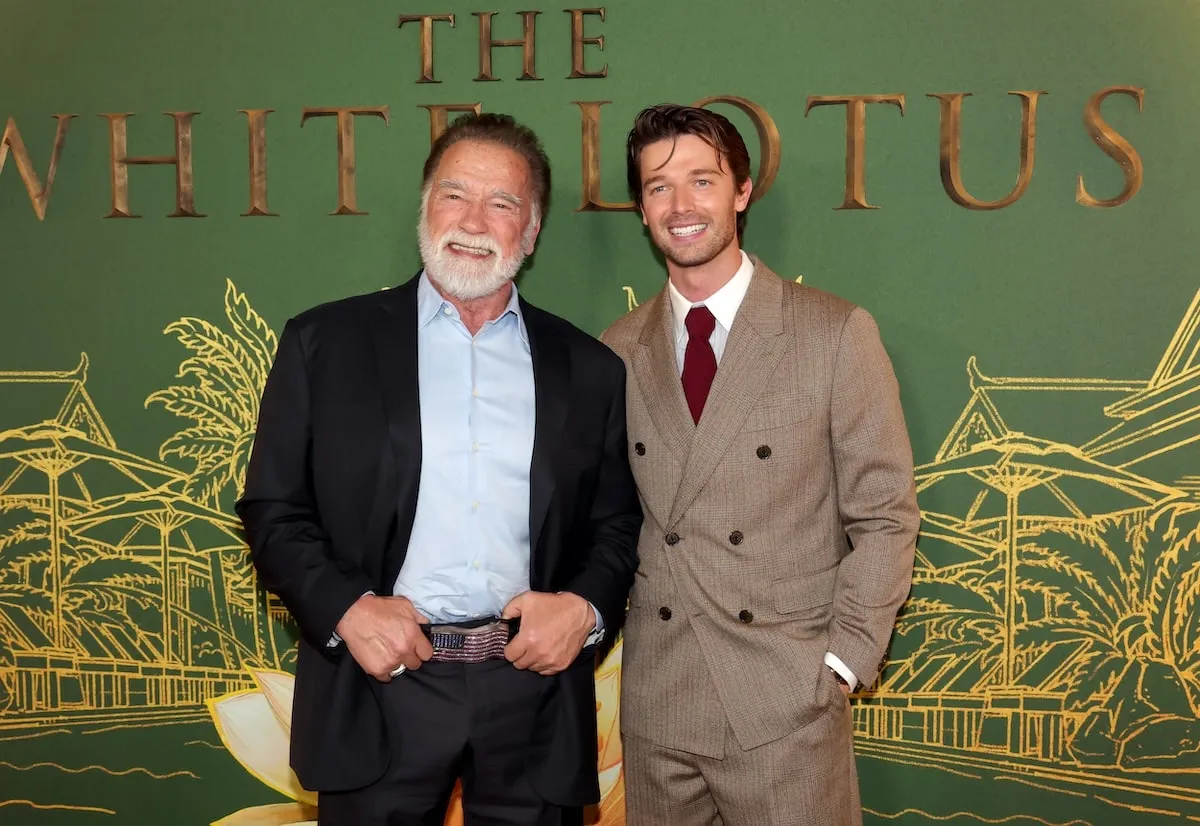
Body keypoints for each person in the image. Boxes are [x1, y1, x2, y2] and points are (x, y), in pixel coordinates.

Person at [237, 112, 641, 826]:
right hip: (379, 685)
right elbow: (274, 507)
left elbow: (615, 526)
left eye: (502, 203)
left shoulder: (590, 369)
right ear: (425, 208)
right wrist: (346, 609)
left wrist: (582, 609)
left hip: (535, 695)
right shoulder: (323, 343)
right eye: (455, 195)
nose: (473, 220)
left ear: (533, 232)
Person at [600, 103, 919, 826]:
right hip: (660, 703)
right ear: (642, 208)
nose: (681, 206)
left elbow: (885, 512)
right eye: (658, 186)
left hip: (785, 702)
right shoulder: (616, 350)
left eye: (701, 181)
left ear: (742, 191)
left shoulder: (833, 333)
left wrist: (842, 661)